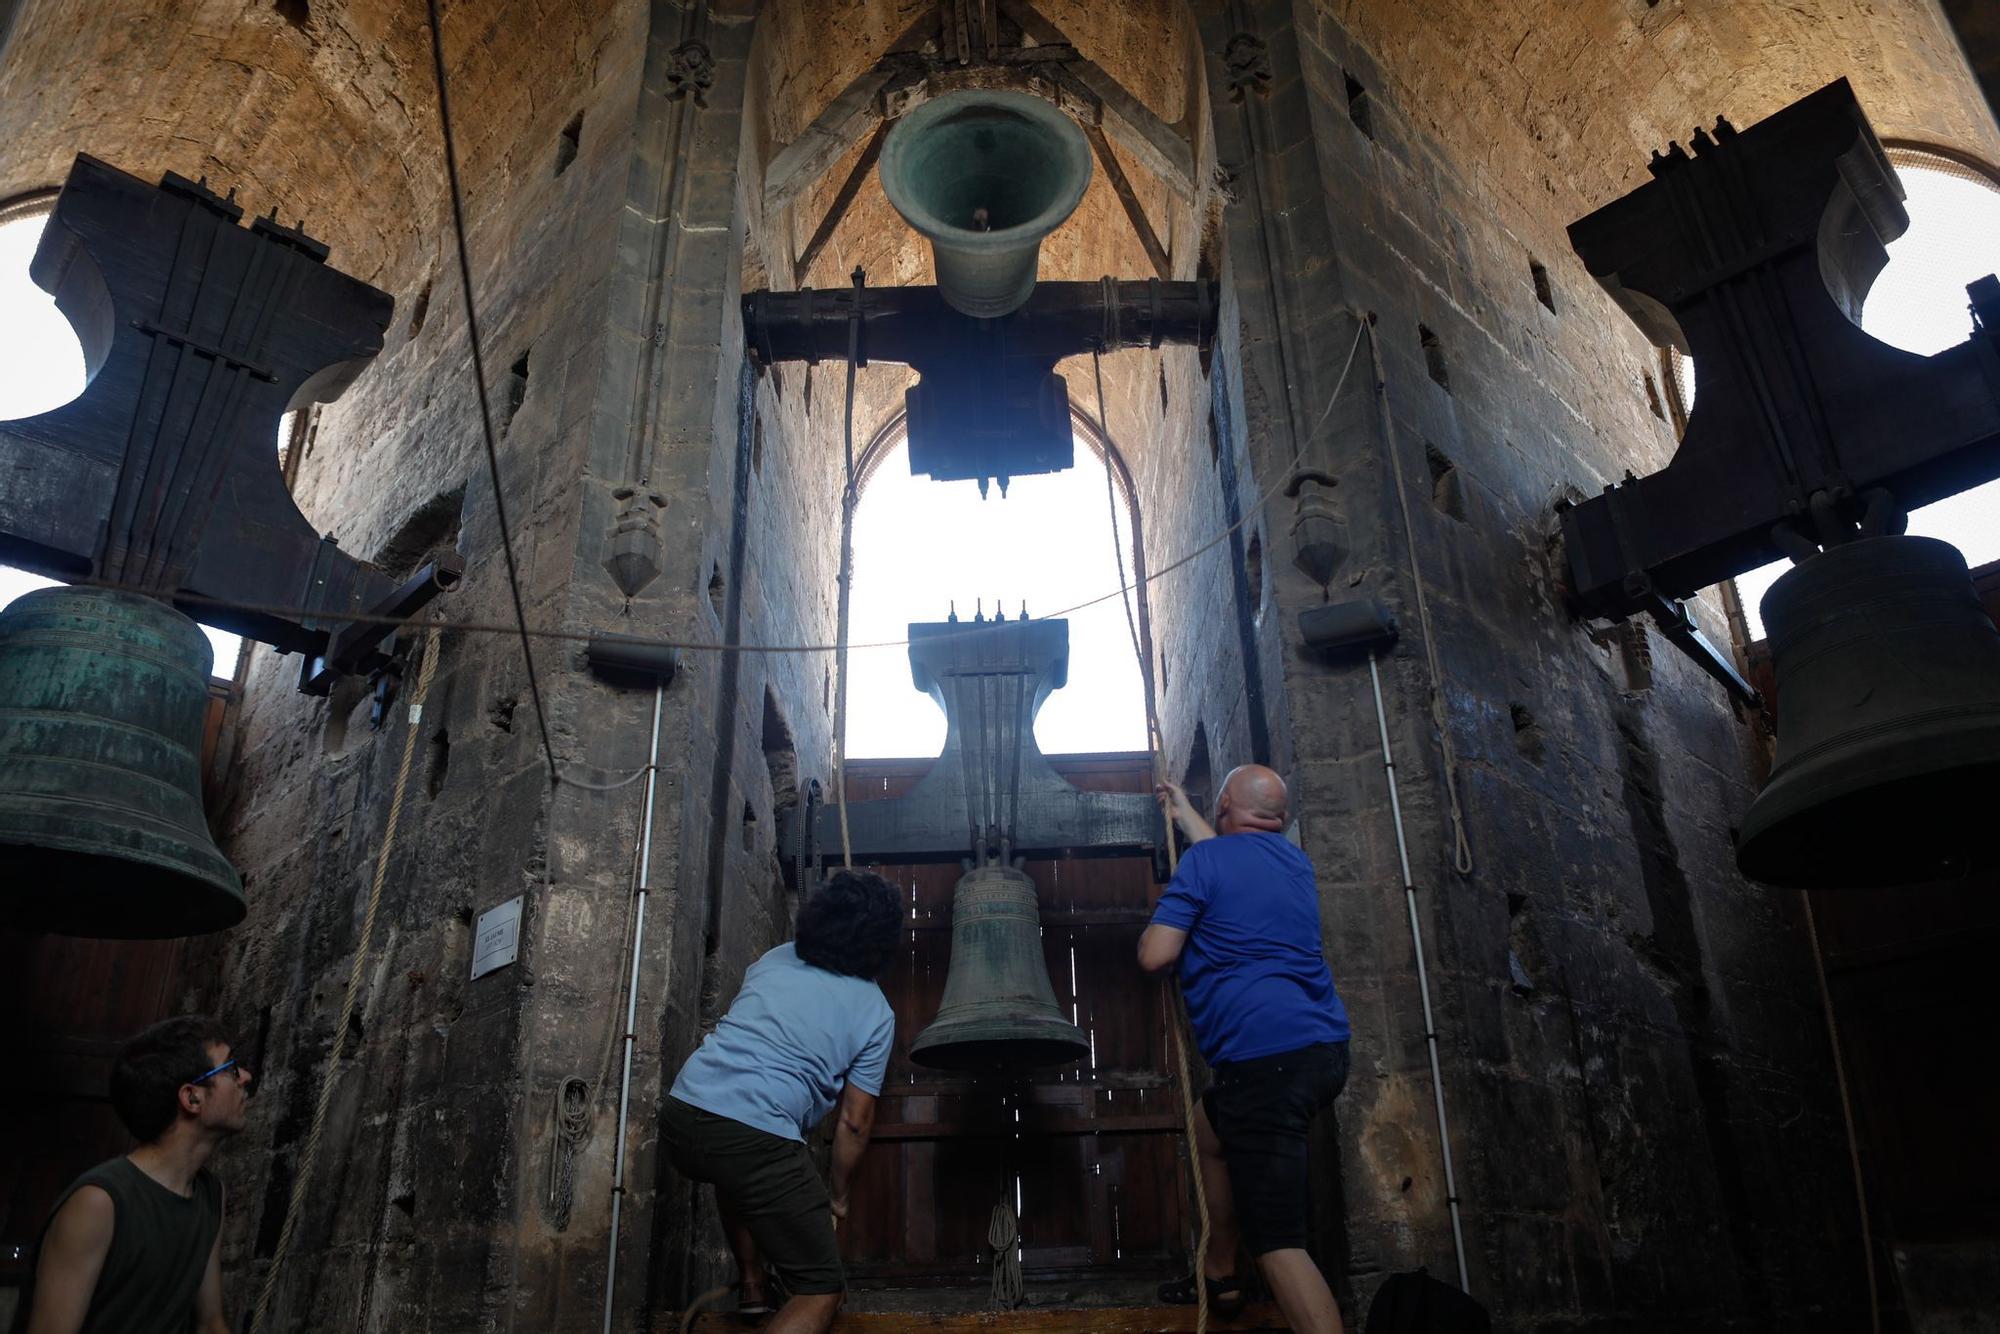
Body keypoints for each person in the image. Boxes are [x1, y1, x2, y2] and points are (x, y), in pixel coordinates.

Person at [1139, 764, 1352, 1334]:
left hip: (1266, 1064)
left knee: (1279, 1243)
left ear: (1228, 801)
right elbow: (1224, 861)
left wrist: (1154, 926)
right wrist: (1184, 814)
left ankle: (1252, 1268)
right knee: (1211, 1130)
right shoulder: (1292, 863)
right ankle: (1219, 1273)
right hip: (1323, 1050)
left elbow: (1156, 956)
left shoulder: (1205, 865)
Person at [662, 868, 901, 1333]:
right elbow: (854, 1122)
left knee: (734, 1171)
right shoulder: (875, 1011)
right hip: (750, 1134)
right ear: (880, 941)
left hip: (684, 1112)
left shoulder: (775, 959)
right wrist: (839, 1194)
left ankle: (753, 1285)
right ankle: (765, 1286)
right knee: (820, 1288)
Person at [17, 1016, 252, 1334]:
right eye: (230, 1069)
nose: (246, 1077)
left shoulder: (210, 1195)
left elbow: (210, 1324)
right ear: (192, 1097)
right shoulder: (99, 1203)